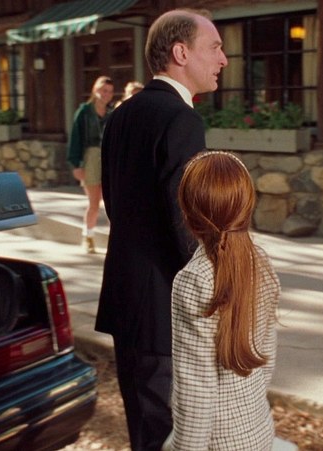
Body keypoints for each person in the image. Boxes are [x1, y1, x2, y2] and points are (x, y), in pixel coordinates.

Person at [96, 8, 228, 450]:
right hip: (165, 309)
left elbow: (115, 204)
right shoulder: (181, 119)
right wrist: (216, 289)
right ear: (181, 53)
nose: (223, 59)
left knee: (145, 431)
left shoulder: (120, 115)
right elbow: (185, 221)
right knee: (170, 437)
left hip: (127, 299)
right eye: (215, 47)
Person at [164, 151, 281, 450]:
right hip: (258, 430)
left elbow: (195, 390)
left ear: (187, 212)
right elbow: (266, 357)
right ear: (247, 207)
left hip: (217, 442)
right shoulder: (261, 262)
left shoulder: (193, 280)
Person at [67, 75, 114, 254]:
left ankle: (114, 241)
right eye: (103, 90)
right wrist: (76, 164)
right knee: (94, 202)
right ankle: (88, 237)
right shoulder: (84, 112)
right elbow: (76, 138)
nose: (106, 94)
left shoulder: (112, 113)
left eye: (110, 91)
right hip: (91, 158)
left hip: (108, 158)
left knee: (111, 203)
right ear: (95, 90)